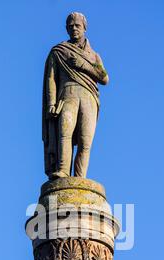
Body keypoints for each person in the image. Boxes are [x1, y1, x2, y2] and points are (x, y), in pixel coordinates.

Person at [42, 12, 109, 179]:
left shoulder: (94, 56)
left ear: (85, 28)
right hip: (67, 94)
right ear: (66, 29)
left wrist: (83, 65)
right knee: (65, 132)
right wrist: (51, 102)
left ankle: (80, 178)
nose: (74, 28)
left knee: (85, 141)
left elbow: (104, 78)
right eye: (70, 26)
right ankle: (63, 170)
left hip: (89, 97)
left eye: (77, 25)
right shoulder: (58, 51)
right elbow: (51, 78)